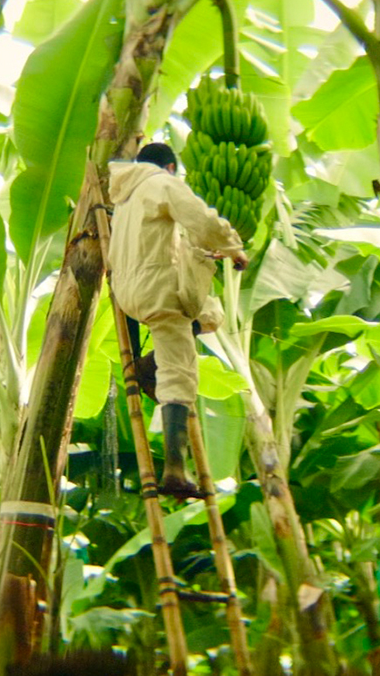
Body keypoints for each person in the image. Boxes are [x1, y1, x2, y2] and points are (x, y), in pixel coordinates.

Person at [107, 142, 248, 498]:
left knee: (210, 313)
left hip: (129, 290)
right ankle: (174, 470)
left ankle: (149, 363)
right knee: (180, 372)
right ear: (169, 167)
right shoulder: (161, 183)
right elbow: (202, 219)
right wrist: (234, 248)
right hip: (157, 289)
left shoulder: (124, 198)